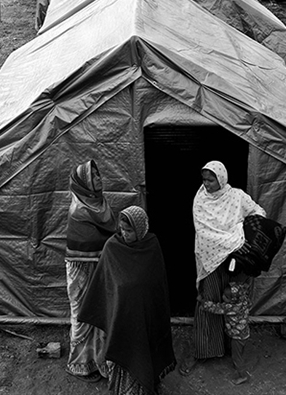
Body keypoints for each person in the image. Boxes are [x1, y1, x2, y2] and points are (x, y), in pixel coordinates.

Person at [79, 206, 176, 395]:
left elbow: (157, 286)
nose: (125, 234)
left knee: (144, 351)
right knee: (123, 351)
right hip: (121, 317)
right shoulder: (112, 248)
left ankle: (146, 385)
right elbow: (105, 286)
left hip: (145, 317)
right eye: (122, 229)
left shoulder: (151, 246)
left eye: (129, 231)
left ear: (140, 230)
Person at [182, 161, 265, 374]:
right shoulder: (200, 199)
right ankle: (203, 350)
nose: (207, 184)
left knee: (232, 302)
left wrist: (244, 230)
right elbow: (203, 231)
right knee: (208, 302)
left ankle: (230, 348)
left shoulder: (237, 196)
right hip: (210, 260)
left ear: (222, 178)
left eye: (211, 179)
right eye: (204, 179)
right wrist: (230, 239)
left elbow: (258, 211)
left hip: (235, 261)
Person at [65, 160, 117, 382]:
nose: (99, 178)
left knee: (101, 312)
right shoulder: (79, 210)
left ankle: (100, 362)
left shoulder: (100, 202)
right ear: (85, 183)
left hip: (99, 266)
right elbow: (90, 242)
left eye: (99, 174)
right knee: (84, 315)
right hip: (82, 270)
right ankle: (79, 364)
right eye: (94, 176)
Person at [199, 269, 253, 385]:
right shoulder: (243, 300)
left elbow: (216, 308)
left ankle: (243, 376)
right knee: (239, 351)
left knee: (237, 357)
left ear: (232, 300)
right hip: (244, 333)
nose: (223, 297)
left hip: (237, 337)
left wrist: (203, 302)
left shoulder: (231, 307)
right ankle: (238, 362)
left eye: (226, 297)